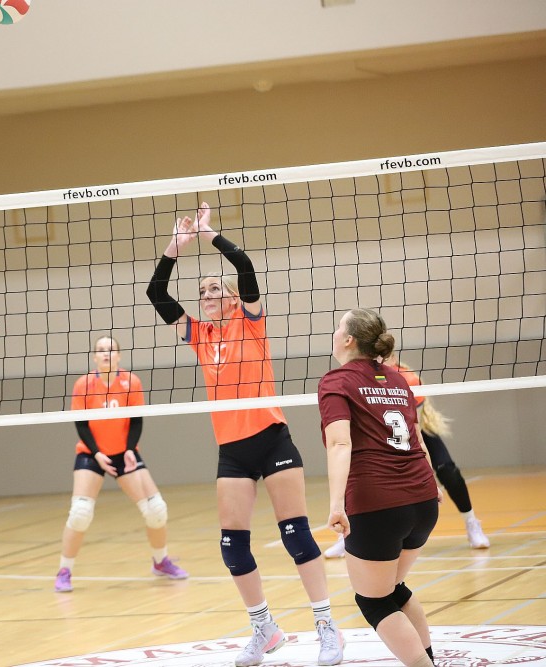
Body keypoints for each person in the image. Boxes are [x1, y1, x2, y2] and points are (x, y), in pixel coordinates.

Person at [146, 204, 343, 667]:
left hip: (272, 439)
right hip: (232, 450)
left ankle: (326, 625)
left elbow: (245, 266)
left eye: (215, 288)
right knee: (232, 546)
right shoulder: (197, 334)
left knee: (296, 536)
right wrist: (175, 247)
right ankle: (264, 628)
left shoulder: (250, 321)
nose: (206, 295)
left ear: (234, 299)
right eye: (201, 291)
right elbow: (156, 292)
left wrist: (209, 235)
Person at [319, 309, 442, 667]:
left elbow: (339, 444)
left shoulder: (336, 381)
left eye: (338, 327)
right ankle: (429, 660)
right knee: (392, 590)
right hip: (422, 499)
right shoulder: (398, 379)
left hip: (377, 504)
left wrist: (336, 504)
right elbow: (416, 437)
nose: (335, 333)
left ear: (348, 340)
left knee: (373, 601)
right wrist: (433, 482)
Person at [54, 336, 188, 593]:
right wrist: (96, 453)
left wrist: (129, 448)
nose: (106, 353)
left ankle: (161, 561)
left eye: (111, 349)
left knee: (156, 510)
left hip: (124, 453)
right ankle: (64, 571)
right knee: (80, 513)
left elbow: (137, 420)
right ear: (95, 357)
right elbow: (81, 423)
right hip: (92, 454)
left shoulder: (131, 381)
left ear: (119, 355)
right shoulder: (84, 384)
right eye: (101, 350)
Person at [324, 353, 489, 558]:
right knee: (356, 469)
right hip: (377, 432)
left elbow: (413, 425)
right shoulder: (356, 378)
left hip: (412, 430)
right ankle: (348, 535)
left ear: (392, 357)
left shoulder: (406, 378)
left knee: (447, 469)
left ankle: (471, 522)